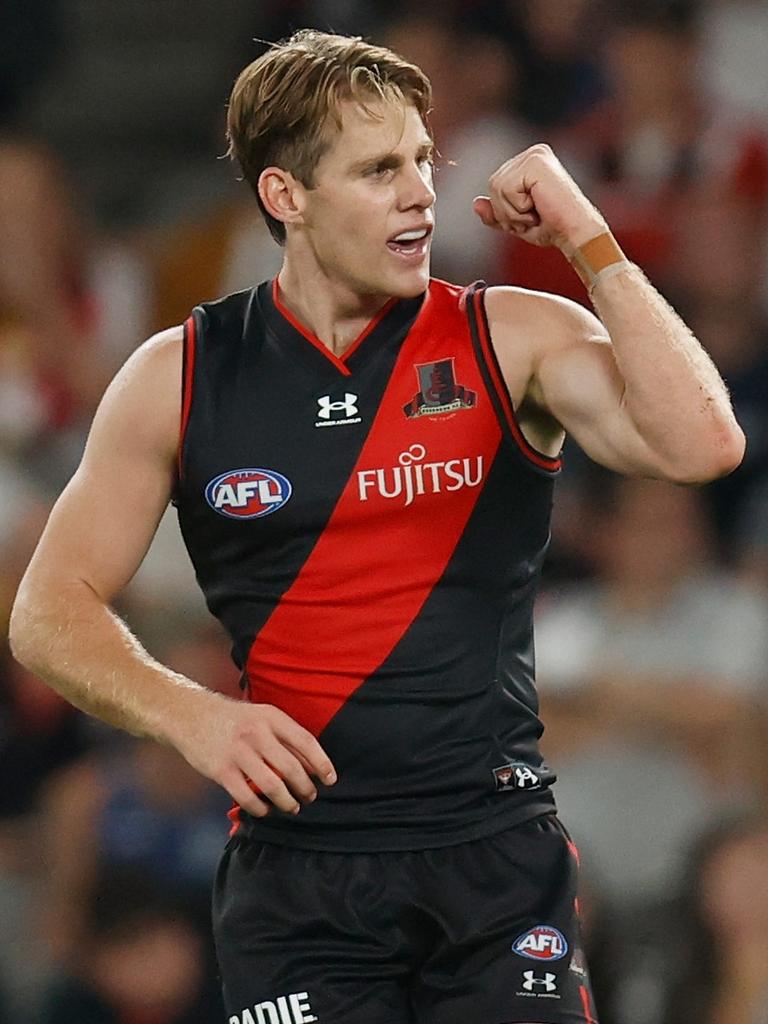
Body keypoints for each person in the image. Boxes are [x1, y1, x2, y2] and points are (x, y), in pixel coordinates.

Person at [9, 28, 744, 1024]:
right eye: (377, 169)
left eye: (420, 161)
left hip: (495, 856)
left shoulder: (508, 332)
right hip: (300, 875)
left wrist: (588, 239)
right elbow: (47, 613)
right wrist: (196, 715)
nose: (420, 193)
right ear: (287, 197)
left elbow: (702, 444)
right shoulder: (179, 377)